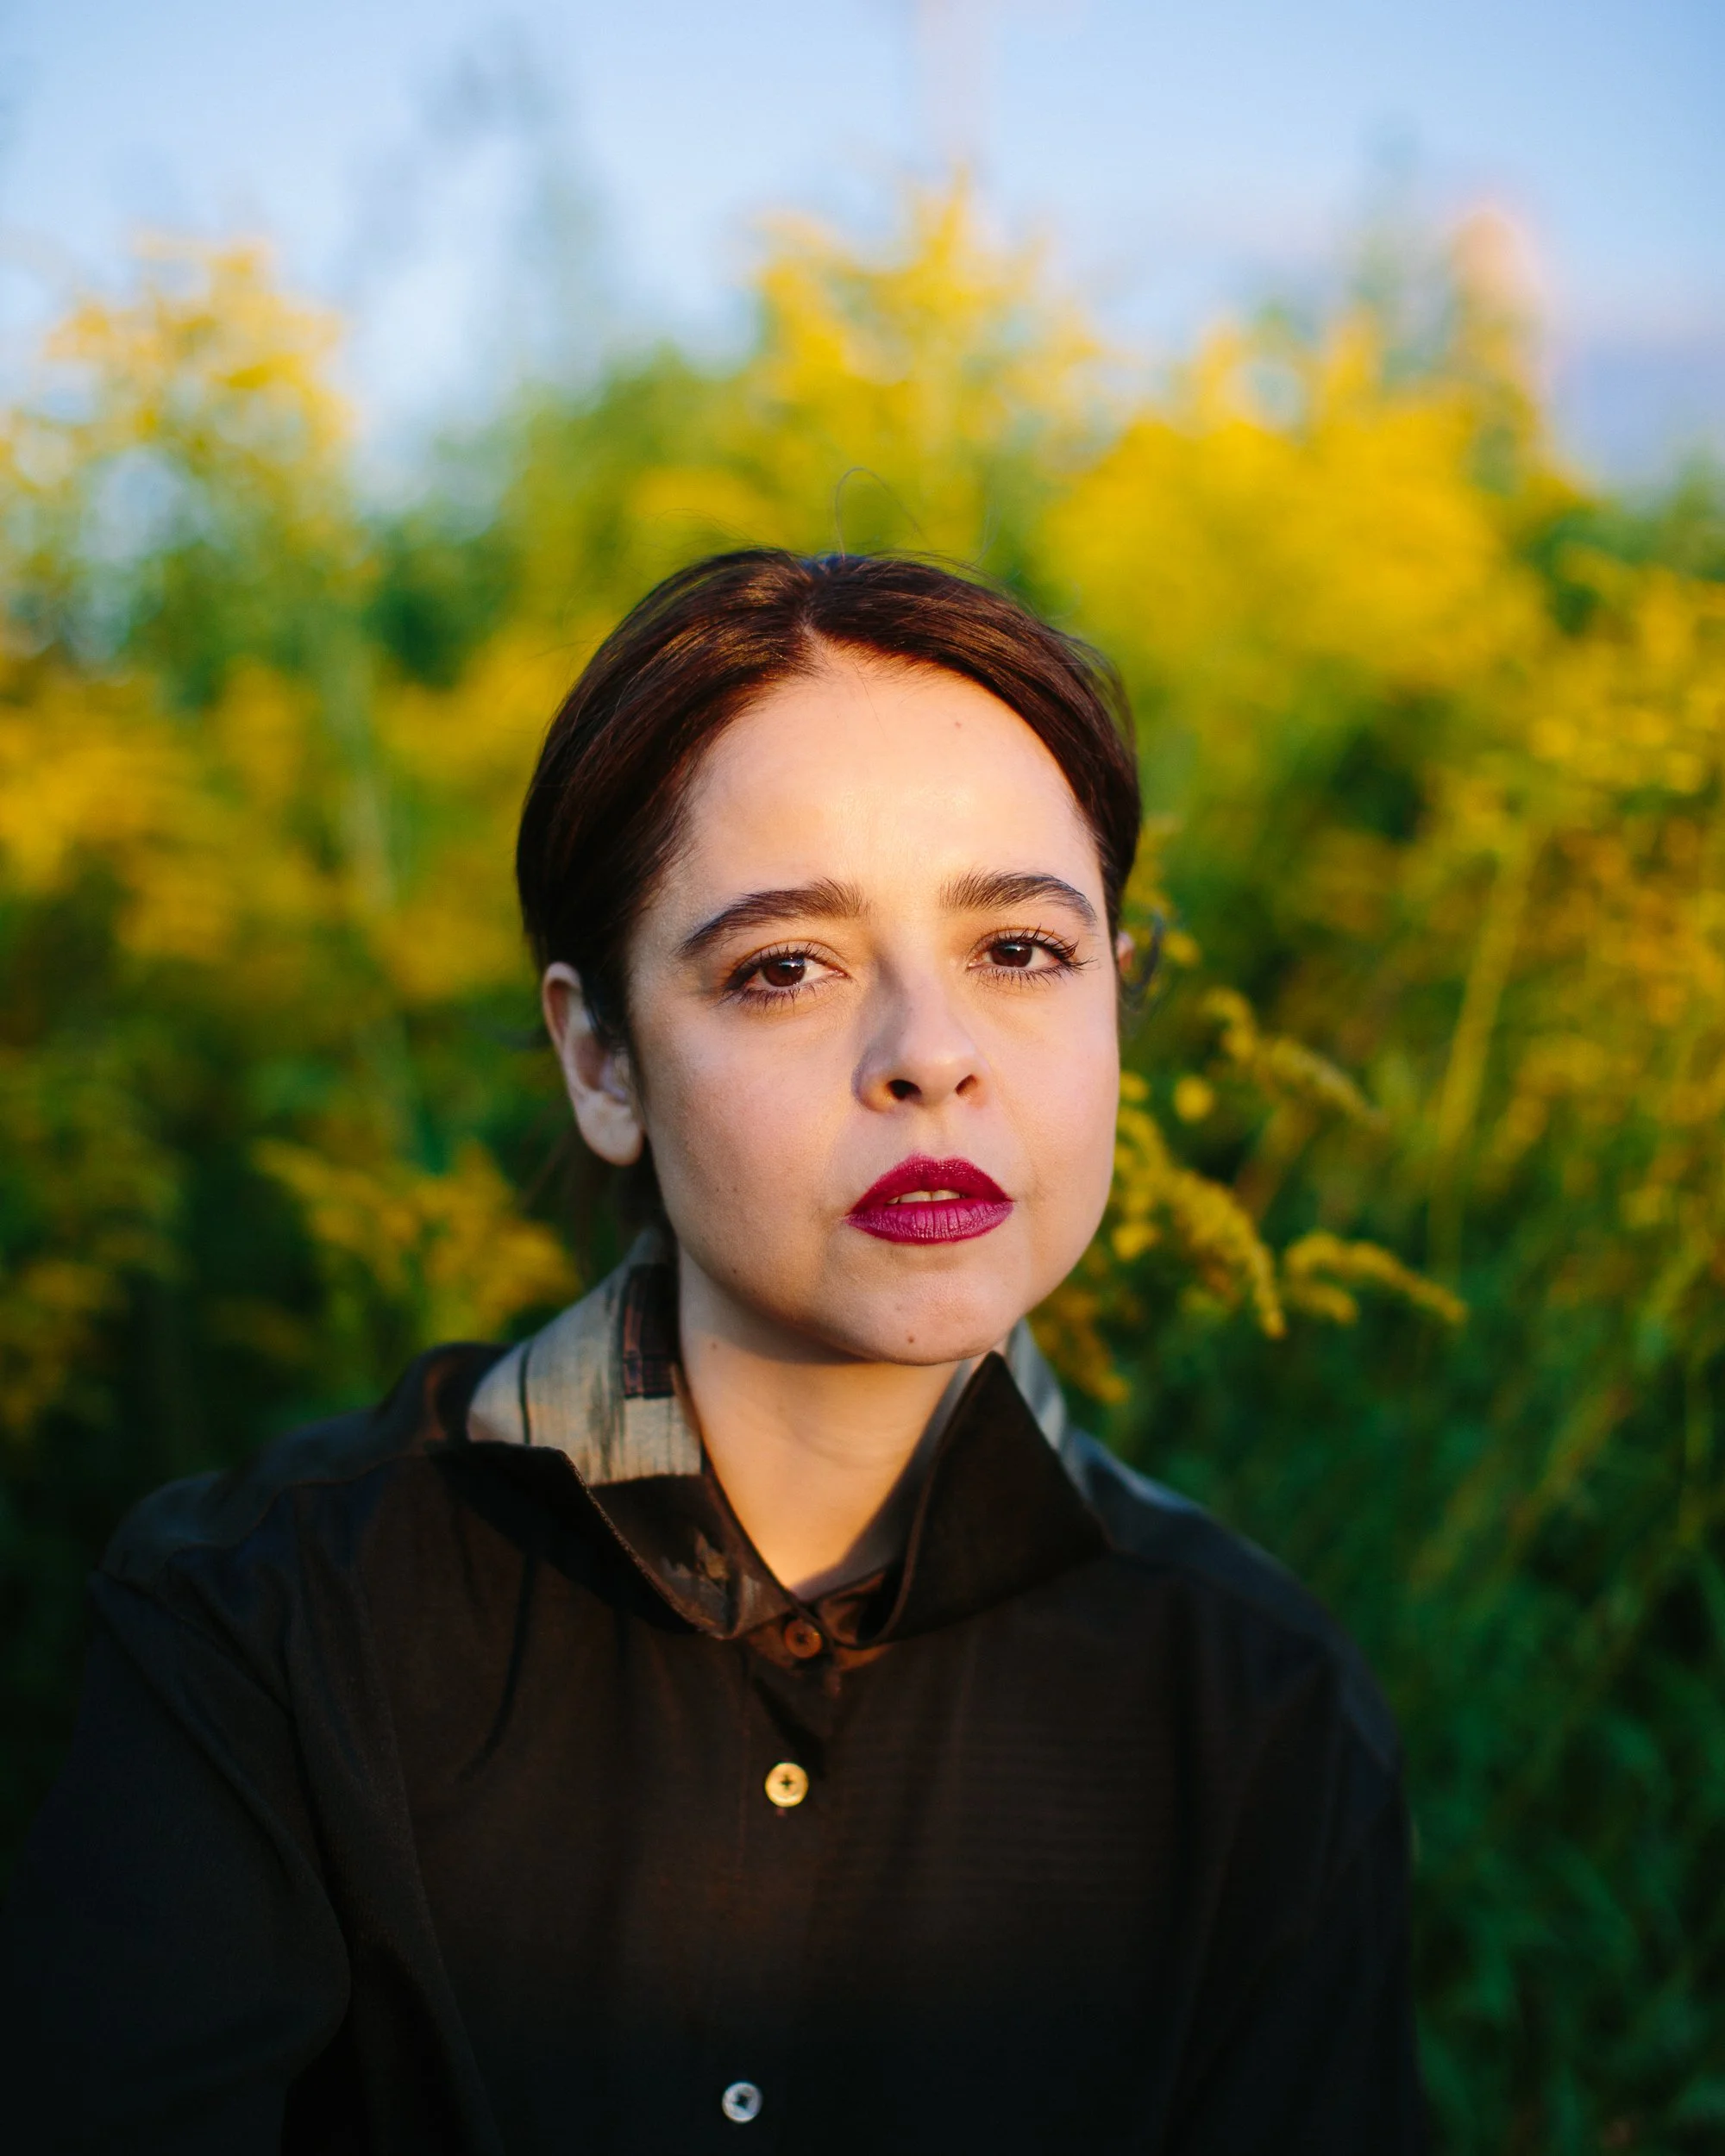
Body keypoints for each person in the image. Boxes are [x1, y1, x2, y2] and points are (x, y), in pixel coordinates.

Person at [0, 550, 1427, 2153]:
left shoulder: (1258, 1713)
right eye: (784, 968)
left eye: (1019, 949)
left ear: (1117, 991)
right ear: (598, 1057)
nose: (931, 1058)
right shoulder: (263, 1624)